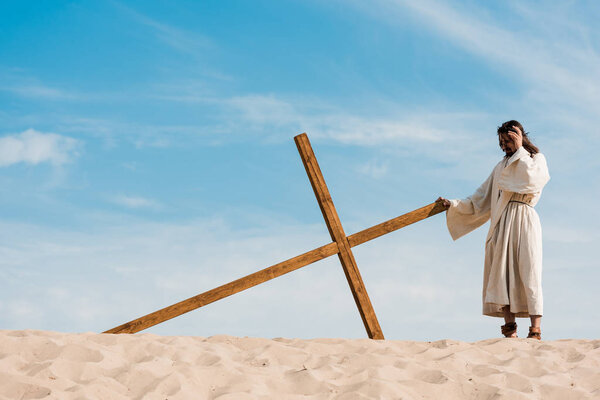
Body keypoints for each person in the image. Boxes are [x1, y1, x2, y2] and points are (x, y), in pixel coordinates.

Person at [437, 120, 550, 340]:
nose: (505, 145)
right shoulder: (500, 167)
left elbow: (532, 182)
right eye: (502, 142)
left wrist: (519, 150)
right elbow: (481, 198)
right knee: (503, 273)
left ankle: (535, 329)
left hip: (524, 217)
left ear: (520, 137)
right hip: (502, 221)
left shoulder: (536, 159)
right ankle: (510, 328)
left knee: (530, 270)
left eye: (509, 140)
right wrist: (454, 204)